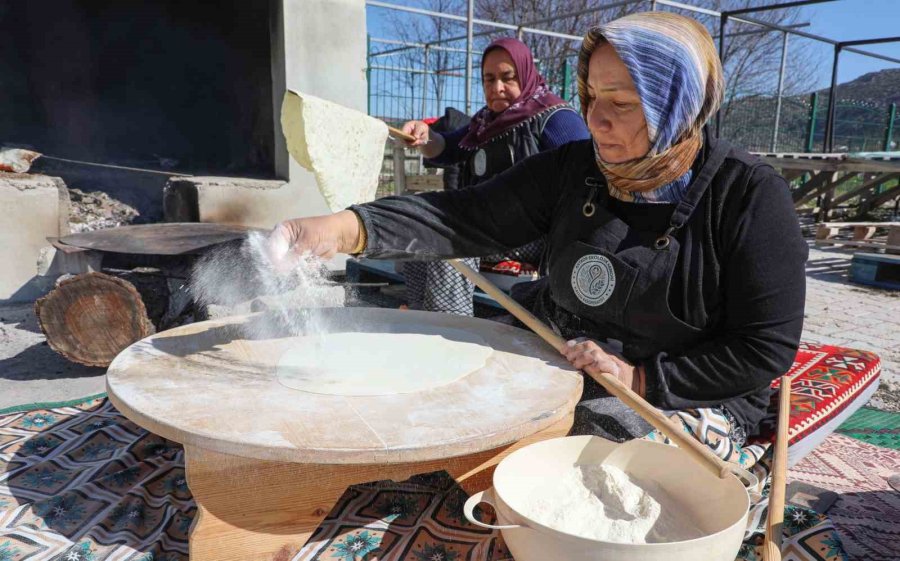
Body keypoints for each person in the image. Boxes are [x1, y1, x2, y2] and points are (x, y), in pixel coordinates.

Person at [269, 11, 807, 488]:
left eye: (621, 102)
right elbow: (466, 216)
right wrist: (343, 228)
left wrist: (637, 377)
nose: (597, 119)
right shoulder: (575, 168)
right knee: (454, 400)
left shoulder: (748, 195)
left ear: (678, 102)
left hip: (677, 389)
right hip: (565, 344)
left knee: (595, 456)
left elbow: (764, 349)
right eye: (592, 97)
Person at [398, 37, 590, 316]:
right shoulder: (485, 123)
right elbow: (448, 147)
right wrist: (424, 136)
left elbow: (585, 179)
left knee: (455, 241)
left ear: (525, 75)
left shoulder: (555, 119)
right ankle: (420, 319)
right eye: (488, 79)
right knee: (423, 226)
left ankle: (449, 334)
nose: (496, 88)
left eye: (507, 78)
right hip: (492, 230)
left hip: (538, 237)